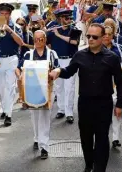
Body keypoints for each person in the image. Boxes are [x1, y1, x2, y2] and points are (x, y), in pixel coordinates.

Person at [49, 23, 122, 172]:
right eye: (88, 36)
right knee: (86, 138)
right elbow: (69, 71)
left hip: (104, 103)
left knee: (102, 138)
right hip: (85, 103)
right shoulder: (79, 55)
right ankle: (89, 164)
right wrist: (58, 71)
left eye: (94, 37)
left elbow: (120, 82)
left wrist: (119, 105)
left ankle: (100, 168)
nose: (90, 39)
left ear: (103, 38)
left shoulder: (112, 58)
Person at [16, 30, 60, 159]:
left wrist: (54, 73)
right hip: (31, 90)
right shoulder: (28, 55)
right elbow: (18, 68)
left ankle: (44, 146)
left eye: (41, 39)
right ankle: (37, 138)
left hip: (47, 89)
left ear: (45, 39)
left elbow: (57, 68)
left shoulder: (52, 54)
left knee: (45, 117)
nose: (38, 41)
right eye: (36, 39)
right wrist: (20, 77)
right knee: (34, 116)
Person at [0, 3, 24, 126]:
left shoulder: (16, 27)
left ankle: (8, 114)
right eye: (1, 14)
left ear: (10, 14)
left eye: (6, 14)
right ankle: (5, 107)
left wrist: (9, 30)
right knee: (1, 88)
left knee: (10, 87)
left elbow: (21, 42)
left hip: (11, 59)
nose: (3, 16)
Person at [46, 9, 81, 124]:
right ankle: (61, 109)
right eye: (66, 18)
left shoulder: (74, 30)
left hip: (70, 61)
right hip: (57, 61)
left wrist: (58, 35)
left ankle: (69, 112)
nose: (69, 20)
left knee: (69, 87)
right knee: (59, 86)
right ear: (61, 19)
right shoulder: (53, 31)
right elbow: (48, 45)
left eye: (70, 18)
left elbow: (74, 42)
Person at [102, 24, 122, 149]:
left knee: (117, 110)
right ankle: (103, 137)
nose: (107, 37)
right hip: (103, 84)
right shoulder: (97, 49)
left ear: (113, 35)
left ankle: (116, 138)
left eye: (109, 34)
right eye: (105, 34)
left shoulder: (119, 48)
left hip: (117, 82)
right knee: (104, 113)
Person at [15, 17, 34, 108]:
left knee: (25, 80)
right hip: (16, 58)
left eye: (22, 24)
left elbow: (34, 46)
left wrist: (24, 44)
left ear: (25, 25)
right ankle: (21, 97)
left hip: (26, 59)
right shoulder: (14, 33)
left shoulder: (28, 34)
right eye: (18, 24)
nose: (20, 26)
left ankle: (25, 100)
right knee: (19, 79)